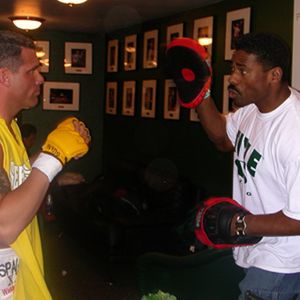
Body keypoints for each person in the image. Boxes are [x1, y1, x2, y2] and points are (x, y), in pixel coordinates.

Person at [194, 32, 300, 299]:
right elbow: (221, 137)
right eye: (233, 68)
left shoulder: (294, 130)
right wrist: (199, 94)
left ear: (273, 75)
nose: (233, 78)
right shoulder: (251, 111)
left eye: (243, 70)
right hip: (255, 252)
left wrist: (240, 225)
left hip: (282, 263)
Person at [0, 30, 91, 299]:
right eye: (32, 71)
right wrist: (53, 155)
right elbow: (3, 226)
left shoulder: (10, 129)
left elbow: (14, 178)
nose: (41, 78)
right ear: (5, 76)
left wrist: (56, 163)